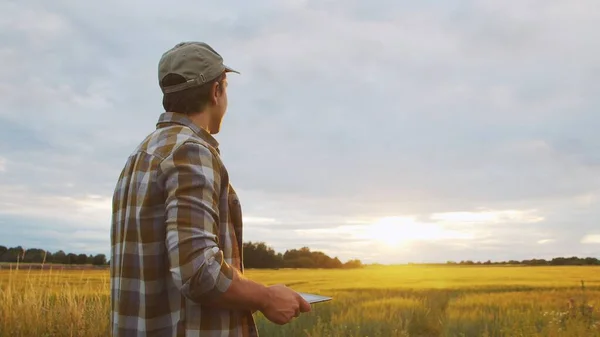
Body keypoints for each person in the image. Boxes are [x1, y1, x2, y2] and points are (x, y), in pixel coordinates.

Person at [110, 41, 311, 337]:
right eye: (226, 88)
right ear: (216, 91)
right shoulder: (191, 152)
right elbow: (199, 271)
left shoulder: (139, 158)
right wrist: (266, 298)